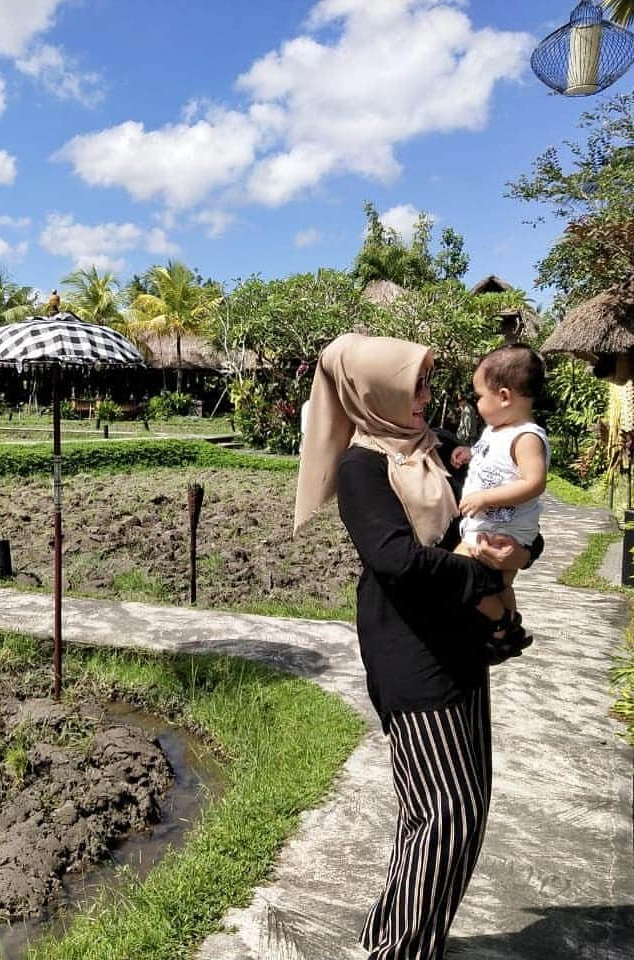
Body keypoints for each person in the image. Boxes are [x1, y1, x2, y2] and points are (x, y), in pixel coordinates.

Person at [294, 332, 539, 960]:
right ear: (375, 391)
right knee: (444, 816)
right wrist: (483, 580)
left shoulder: (433, 446)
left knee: (456, 808)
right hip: (409, 652)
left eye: (429, 383)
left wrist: (524, 551)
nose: (428, 398)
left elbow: (489, 518)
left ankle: (394, 937)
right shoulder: (362, 465)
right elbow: (396, 561)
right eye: (416, 386)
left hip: (458, 643)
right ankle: (399, 950)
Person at [450, 344, 548, 635]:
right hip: (489, 525)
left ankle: (501, 623)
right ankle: (508, 628)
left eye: (480, 396)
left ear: (504, 396)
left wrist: (484, 497)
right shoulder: (498, 430)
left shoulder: (527, 437)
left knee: (457, 573)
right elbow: (494, 459)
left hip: (505, 530)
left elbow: (534, 482)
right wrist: (469, 453)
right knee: (497, 584)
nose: (477, 404)